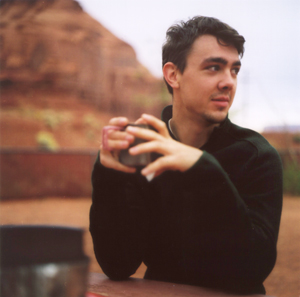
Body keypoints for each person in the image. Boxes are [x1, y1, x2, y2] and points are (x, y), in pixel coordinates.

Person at [89, 16, 283, 295]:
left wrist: (203, 169)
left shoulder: (256, 156)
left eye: (234, 70)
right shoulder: (143, 151)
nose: (228, 82)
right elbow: (117, 264)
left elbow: (252, 269)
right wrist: (108, 177)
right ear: (173, 74)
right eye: (214, 67)